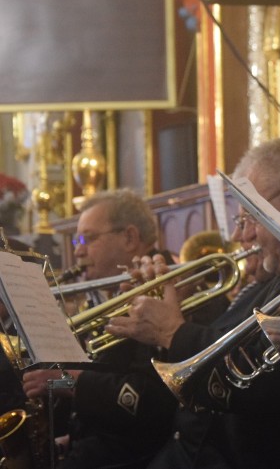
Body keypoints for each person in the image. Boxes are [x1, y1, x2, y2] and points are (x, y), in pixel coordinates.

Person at [105, 137, 280, 469]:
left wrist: (171, 332)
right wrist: (178, 305)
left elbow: (267, 382)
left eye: (249, 216)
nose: (240, 237)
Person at [21, 189, 180, 469]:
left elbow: (151, 402)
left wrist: (67, 381)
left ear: (129, 237)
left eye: (87, 239)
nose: (78, 251)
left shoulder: (171, 291)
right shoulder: (111, 294)